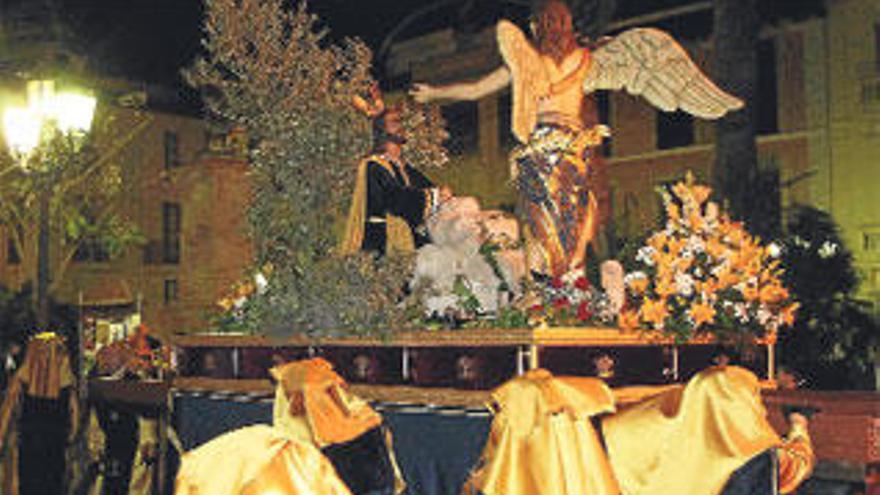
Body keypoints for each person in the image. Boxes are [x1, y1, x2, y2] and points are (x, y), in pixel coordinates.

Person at [412, 0, 742, 278]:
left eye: (560, 21)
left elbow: (476, 90)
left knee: (575, 218)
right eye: (549, 22)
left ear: (567, 26)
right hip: (541, 155)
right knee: (541, 220)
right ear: (538, 27)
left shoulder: (588, 61)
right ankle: (546, 280)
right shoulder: (530, 63)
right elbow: (475, 89)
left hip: (572, 154)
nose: (555, 28)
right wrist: (435, 93)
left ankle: (569, 280)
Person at [341, 84, 452, 256]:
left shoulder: (402, 165)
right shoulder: (373, 165)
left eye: (401, 122)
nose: (401, 127)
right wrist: (434, 196)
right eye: (394, 122)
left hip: (408, 240)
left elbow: (425, 187)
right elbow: (395, 199)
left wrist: (441, 194)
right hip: (383, 245)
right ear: (381, 131)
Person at [0, 333, 77, 495]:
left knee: (33, 485)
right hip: (53, 444)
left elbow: (6, 412)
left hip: (33, 444)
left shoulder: (22, 378)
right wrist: (70, 438)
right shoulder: (65, 383)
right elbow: (74, 417)